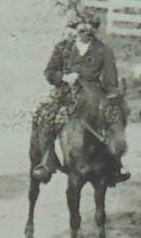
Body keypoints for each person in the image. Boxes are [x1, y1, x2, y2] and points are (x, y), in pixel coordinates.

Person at [32, 11, 125, 183]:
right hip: (65, 92)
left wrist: (107, 93)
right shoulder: (62, 48)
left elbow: (111, 81)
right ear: (74, 30)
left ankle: (114, 166)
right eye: (80, 29)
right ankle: (47, 162)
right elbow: (49, 72)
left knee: (113, 121)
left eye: (89, 29)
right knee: (45, 116)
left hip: (94, 95)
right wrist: (64, 78)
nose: (84, 32)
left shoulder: (103, 51)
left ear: (94, 31)